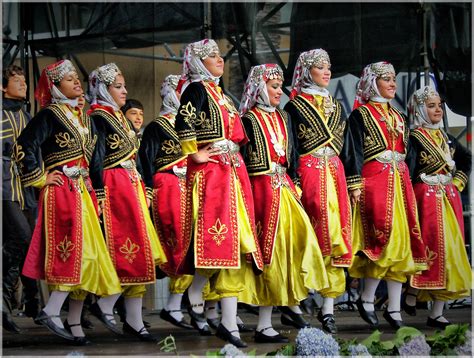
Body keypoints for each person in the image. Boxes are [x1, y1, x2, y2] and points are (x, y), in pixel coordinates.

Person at [14, 59, 122, 345]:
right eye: (69, 78)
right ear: (55, 85)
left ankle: (74, 322)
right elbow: (24, 145)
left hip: (83, 191)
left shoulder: (84, 117)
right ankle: (51, 311)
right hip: (62, 191)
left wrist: (98, 194)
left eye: (77, 77)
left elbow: (95, 160)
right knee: (75, 251)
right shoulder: (49, 115)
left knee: (93, 255)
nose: (76, 82)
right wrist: (40, 178)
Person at [174, 39, 264, 348]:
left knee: (236, 244)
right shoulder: (196, 89)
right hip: (212, 173)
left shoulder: (220, 94)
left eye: (219, 54)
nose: (219, 59)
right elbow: (183, 120)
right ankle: (206, 302)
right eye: (211, 56)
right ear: (199, 62)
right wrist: (192, 153)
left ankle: (224, 318)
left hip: (231, 171)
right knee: (220, 240)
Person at [239, 64, 329, 343]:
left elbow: (290, 156)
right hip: (261, 192)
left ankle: (295, 302)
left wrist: (296, 183)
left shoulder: (281, 117)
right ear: (258, 88)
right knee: (269, 257)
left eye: (280, 87)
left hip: (285, 191)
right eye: (274, 86)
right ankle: (264, 323)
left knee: (294, 248)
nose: (279, 92)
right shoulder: (248, 120)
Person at [340, 61, 427, 329]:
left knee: (402, 242)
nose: (392, 84)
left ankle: (393, 307)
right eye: (386, 79)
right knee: (383, 239)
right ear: (372, 82)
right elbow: (352, 151)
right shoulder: (360, 115)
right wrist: (354, 183)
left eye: (393, 79)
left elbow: (409, 153)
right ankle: (367, 297)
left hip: (399, 183)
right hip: (374, 182)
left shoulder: (399, 116)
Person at [87, 63, 167, 342]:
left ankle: (133, 320)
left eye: (124, 86)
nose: (124, 91)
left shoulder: (117, 117)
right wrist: (98, 193)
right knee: (124, 250)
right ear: (103, 89)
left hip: (130, 187)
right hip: (115, 188)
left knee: (141, 252)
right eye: (118, 87)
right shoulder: (97, 116)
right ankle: (107, 304)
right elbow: (96, 158)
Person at [284, 49, 353, 334]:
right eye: (320, 67)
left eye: (329, 67)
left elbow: (347, 148)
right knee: (307, 237)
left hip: (334, 174)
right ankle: (296, 302)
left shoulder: (337, 106)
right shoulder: (294, 107)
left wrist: (354, 182)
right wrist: (295, 180)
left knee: (337, 237)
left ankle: (328, 308)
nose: (327, 72)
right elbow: (291, 148)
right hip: (309, 174)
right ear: (306, 71)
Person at [404, 86, 472, 328]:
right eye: (431, 106)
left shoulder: (447, 138)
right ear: (421, 109)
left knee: (451, 251)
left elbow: (466, 159)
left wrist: (458, 183)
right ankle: (411, 293)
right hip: (425, 200)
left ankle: (437, 312)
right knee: (426, 248)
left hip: (447, 199)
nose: (437, 110)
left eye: (439, 105)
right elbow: (409, 170)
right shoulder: (413, 138)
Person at [138, 74, 194, 331]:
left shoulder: (189, 124)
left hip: (188, 189)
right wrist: (148, 191)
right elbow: (147, 161)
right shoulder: (156, 127)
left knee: (190, 242)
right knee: (174, 243)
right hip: (168, 189)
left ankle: (180, 304)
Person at [2, 65, 40, 333]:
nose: (23, 84)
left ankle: (31, 302)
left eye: (24, 80)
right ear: (4, 86)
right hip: (4, 187)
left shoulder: (27, 115)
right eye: (17, 81)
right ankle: (5, 302)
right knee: (21, 237)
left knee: (30, 243)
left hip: (26, 188)